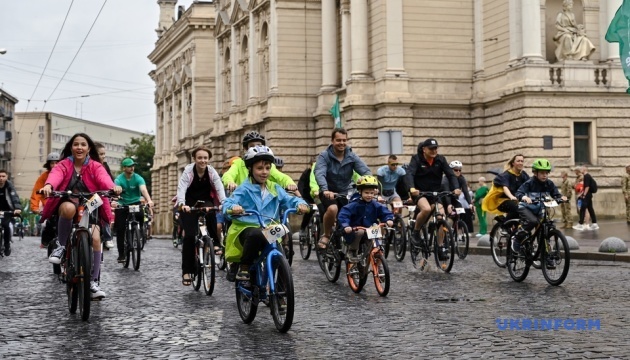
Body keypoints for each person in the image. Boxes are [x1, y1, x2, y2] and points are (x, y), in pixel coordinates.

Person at [40, 133, 121, 300]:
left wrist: (113, 187)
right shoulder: (64, 164)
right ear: (71, 147)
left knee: (96, 238)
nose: (79, 147)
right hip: (68, 200)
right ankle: (62, 247)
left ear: (88, 148)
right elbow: (55, 176)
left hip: (90, 202)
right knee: (68, 209)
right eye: (76, 144)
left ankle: (93, 281)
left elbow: (103, 178)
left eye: (83, 144)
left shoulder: (95, 165)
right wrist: (49, 185)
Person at [223, 145, 308, 281]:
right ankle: (244, 266)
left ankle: (281, 292)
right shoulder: (243, 189)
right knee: (256, 233)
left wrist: (300, 204)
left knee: (281, 256)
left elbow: (289, 199)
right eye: (260, 168)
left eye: (268, 168)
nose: (264, 172)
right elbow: (227, 204)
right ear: (250, 169)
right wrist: (233, 208)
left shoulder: (275, 188)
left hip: (269, 227)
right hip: (245, 228)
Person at [314, 128, 371, 249]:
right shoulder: (324, 156)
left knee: (358, 209)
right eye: (338, 140)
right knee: (333, 209)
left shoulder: (351, 156)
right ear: (332, 141)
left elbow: (365, 171)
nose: (342, 143)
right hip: (328, 192)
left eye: (344, 140)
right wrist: (325, 190)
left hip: (346, 192)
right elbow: (320, 173)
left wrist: (371, 185)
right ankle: (327, 234)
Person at [176, 146, 226, 286]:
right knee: (190, 237)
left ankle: (215, 243)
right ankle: (187, 271)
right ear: (194, 159)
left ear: (209, 159)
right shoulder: (188, 171)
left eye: (205, 158)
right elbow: (182, 188)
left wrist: (223, 203)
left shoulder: (211, 172)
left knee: (211, 213)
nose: (203, 161)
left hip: (205, 201)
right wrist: (182, 204)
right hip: (189, 204)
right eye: (200, 158)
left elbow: (219, 187)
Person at [404, 138, 460, 260]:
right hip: (420, 192)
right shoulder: (416, 159)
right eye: (431, 148)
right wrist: (412, 188)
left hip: (435, 193)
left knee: (441, 216)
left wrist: (456, 188)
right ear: (424, 149)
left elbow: (450, 174)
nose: (434, 151)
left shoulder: (441, 159)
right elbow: (410, 174)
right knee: (426, 209)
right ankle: (416, 232)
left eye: (435, 148)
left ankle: (440, 247)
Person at [513, 159, 567, 268]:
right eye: (542, 173)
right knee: (532, 221)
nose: (545, 175)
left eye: (546, 173)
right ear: (535, 173)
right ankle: (517, 239)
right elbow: (519, 192)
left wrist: (561, 198)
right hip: (526, 208)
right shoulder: (529, 183)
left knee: (545, 228)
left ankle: (546, 257)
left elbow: (556, 194)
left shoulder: (549, 184)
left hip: (540, 209)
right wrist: (524, 197)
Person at [337, 176, 394, 262]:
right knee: (360, 231)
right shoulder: (354, 205)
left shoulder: (375, 205)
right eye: (366, 193)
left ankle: (377, 260)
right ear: (360, 192)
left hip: (370, 229)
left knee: (379, 232)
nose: (369, 195)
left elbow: (385, 212)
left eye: (371, 193)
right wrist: (346, 226)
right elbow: (344, 215)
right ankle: (352, 251)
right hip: (354, 230)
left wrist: (388, 219)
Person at [222, 131, 297, 193]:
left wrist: (289, 183)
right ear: (245, 148)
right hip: (242, 203)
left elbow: (281, 177)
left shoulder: (269, 166)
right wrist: (230, 182)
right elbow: (228, 175)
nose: (256, 148)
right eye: (252, 146)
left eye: (258, 145)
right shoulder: (238, 163)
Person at [113, 158, 154, 263]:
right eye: (129, 166)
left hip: (135, 203)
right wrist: (116, 191)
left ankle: (138, 233)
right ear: (124, 168)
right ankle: (121, 254)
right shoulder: (119, 179)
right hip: (122, 204)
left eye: (133, 165)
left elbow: (143, 189)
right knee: (120, 229)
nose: (132, 167)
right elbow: (116, 187)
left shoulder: (138, 178)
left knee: (140, 215)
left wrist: (149, 200)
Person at [482, 154, 530, 220]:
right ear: (513, 163)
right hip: (502, 201)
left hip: (517, 200)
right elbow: (505, 187)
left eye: (522, 161)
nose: (520, 163)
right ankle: (505, 225)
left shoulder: (523, 174)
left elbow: (531, 184)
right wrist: (511, 197)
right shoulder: (506, 174)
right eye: (518, 161)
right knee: (516, 207)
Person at [29, 152, 60, 248]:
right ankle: (46, 241)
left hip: (63, 203)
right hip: (49, 204)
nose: (54, 165)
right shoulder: (43, 177)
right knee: (50, 224)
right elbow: (36, 192)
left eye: (57, 163)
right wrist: (35, 207)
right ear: (48, 164)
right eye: (52, 163)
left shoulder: (65, 173)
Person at [443, 160, 474, 234]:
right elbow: (447, 192)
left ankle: (456, 228)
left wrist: (470, 204)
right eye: (456, 170)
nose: (458, 172)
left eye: (460, 170)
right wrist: (449, 204)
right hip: (444, 198)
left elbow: (466, 192)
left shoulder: (461, 178)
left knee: (459, 211)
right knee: (448, 216)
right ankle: (446, 230)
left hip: (454, 199)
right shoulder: (446, 179)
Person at [94, 142, 115, 249]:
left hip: (102, 196)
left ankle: (107, 236)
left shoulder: (104, 166)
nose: (103, 157)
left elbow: (109, 179)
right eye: (101, 154)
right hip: (89, 196)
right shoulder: (89, 165)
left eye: (104, 154)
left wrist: (114, 188)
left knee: (105, 214)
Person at [0, 170, 22, 257]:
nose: (1, 178)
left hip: (7, 211)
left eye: (3, 176)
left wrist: (17, 208)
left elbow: (14, 197)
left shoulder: (9, 186)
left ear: (7, 177)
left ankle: (7, 245)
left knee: (6, 225)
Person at [297, 157, 317, 240]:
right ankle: (302, 228)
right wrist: (300, 196)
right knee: (309, 211)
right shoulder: (306, 173)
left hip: (317, 196)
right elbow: (300, 185)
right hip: (306, 196)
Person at [573, 165, 598, 231]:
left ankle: (580, 224)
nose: (580, 170)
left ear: (584, 169)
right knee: (590, 209)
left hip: (587, 195)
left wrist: (584, 195)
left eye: (581, 169)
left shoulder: (586, 176)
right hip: (589, 195)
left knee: (583, 209)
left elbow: (587, 187)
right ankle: (594, 223)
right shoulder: (588, 176)